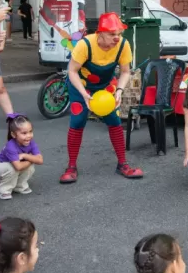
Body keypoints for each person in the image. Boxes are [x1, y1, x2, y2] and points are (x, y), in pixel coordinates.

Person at [60, 12, 144, 184]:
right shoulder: (85, 45)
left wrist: (119, 90)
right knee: (77, 121)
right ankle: (71, 166)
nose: (117, 38)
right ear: (100, 33)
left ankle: (123, 164)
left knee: (114, 120)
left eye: (119, 34)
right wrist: (84, 94)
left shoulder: (123, 45)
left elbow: (126, 71)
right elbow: (72, 71)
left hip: (106, 87)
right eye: (112, 34)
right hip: (80, 87)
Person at [0, 113, 43, 200]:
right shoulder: (11, 146)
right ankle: (4, 189)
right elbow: (18, 166)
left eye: (30, 131)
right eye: (24, 133)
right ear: (13, 135)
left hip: (15, 163)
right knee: (11, 168)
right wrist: (32, 158)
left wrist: (25, 155)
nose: (28, 136)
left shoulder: (31, 142)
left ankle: (19, 186)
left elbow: (40, 160)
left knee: (30, 167)